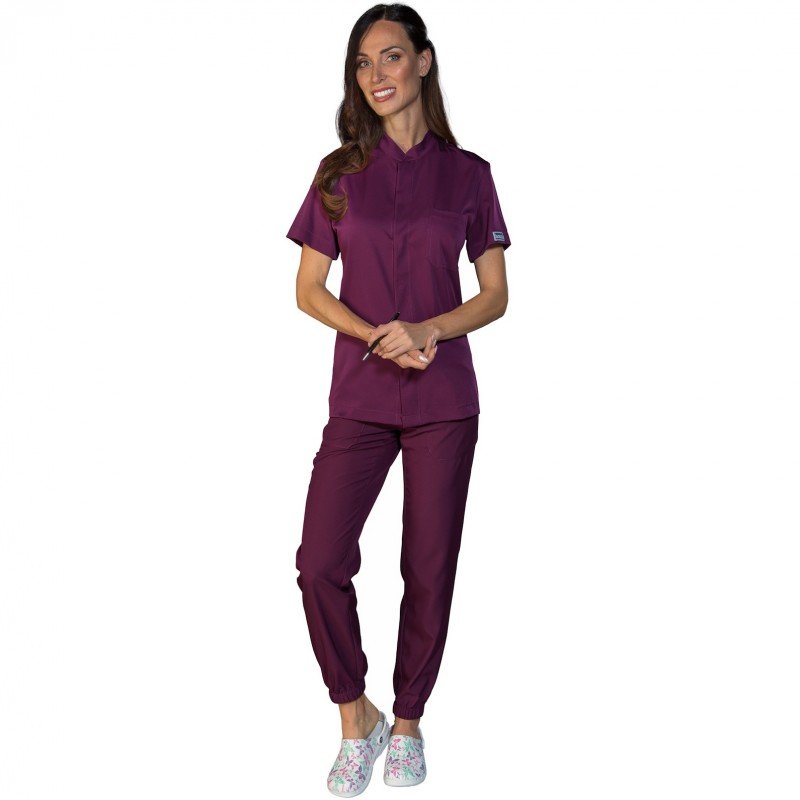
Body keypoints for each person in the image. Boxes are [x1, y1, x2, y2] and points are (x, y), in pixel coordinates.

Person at [285, 4, 511, 795]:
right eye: (362, 63)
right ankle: (358, 716)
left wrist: (429, 329)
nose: (375, 74)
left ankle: (409, 721)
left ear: (422, 60)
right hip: (361, 395)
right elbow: (309, 289)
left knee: (429, 566)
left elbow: (495, 295)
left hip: (445, 399)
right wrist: (378, 334)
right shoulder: (338, 175)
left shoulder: (470, 175)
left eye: (389, 56)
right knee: (319, 563)